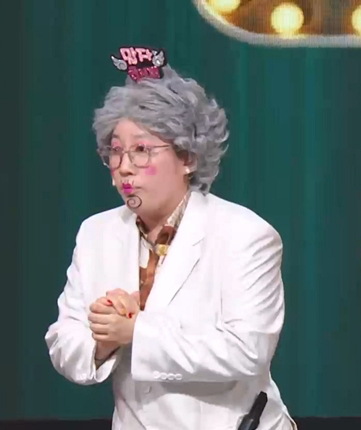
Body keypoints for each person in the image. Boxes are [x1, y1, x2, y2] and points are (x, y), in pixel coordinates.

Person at [44, 46, 295, 430]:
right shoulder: (96, 233)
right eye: (115, 152)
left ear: (188, 157)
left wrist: (136, 332)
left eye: (142, 151)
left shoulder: (245, 235)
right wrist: (105, 340)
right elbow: (64, 341)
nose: (124, 167)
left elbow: (247, 350)